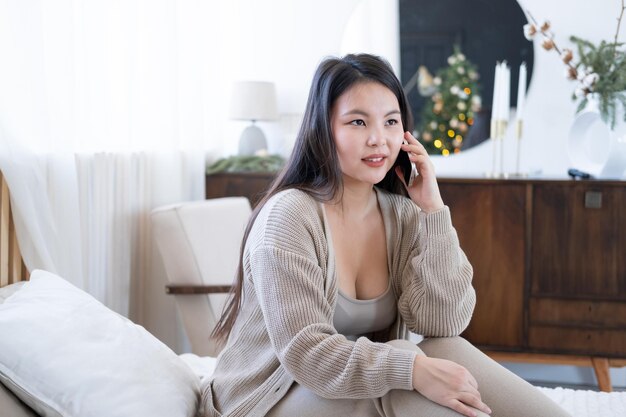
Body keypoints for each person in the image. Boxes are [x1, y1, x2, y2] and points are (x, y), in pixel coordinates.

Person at [200, 53, 570, 417]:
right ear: (322, 129)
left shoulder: (403, 214)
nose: (379, 139)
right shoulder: (288, 216)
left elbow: (442, 324)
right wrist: (411, 368)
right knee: (405, 383)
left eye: (391, 121)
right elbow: (306, 352)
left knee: (446, 350)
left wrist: (433, 212)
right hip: (268, 395)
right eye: (358, 122)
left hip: (346, 388)